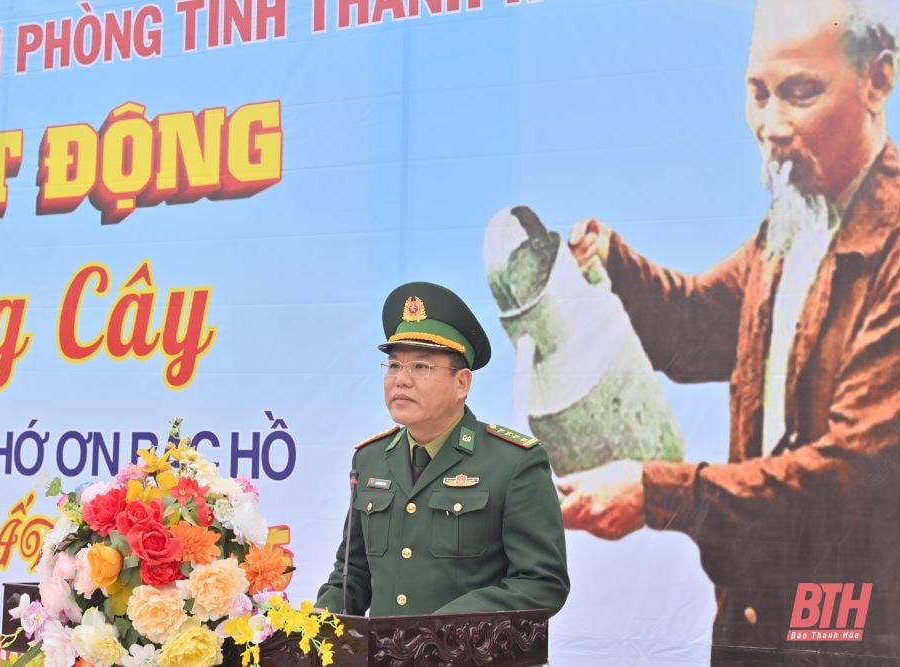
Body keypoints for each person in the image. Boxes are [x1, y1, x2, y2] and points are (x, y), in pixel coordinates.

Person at [560, 0, 900, 661]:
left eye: (800, 92)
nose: (771, 126)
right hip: (760, 611)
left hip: (860, 623)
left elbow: (856, 479)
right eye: (758, 93)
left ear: (878, 82)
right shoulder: (792, 227)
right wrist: (617, 267)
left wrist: (657, 491)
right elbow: (700, 329)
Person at [316, 281, 569, 618]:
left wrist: (445, 629)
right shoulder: (371, 458)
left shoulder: (513, 462)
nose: (401, 380)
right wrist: (321, 617)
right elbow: (353, 573)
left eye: (421, 367)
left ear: (462, 383)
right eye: (394, 365)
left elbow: (542, 583)